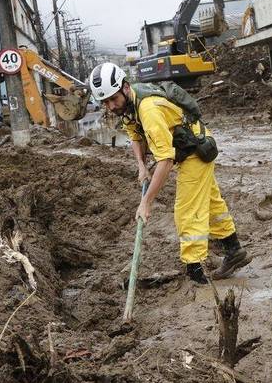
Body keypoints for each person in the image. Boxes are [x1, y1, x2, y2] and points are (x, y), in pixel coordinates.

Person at [89, 63, 251, 284]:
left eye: (112, 99)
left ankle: (196, 273)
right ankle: (234, 251)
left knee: (187, 211)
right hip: (185, 147)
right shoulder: (128, 105)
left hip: (195, 149)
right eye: (105, 102)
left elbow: (165, 161)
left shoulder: (148, 109)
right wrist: (141, 166)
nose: (110, 106)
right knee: (212, 204)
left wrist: (146, 202)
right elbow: (135, 136)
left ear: (125, 87)